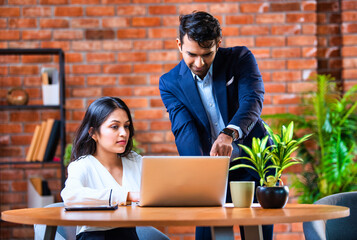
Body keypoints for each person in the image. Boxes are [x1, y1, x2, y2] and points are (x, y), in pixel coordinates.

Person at [159, 11, 274, 240]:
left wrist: (228, 133)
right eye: (191, 54)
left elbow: (252, 101)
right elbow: (184, 130)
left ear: (218, 44)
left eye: (207, 54)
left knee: (256, 236)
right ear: (179, 45)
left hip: (252, 163)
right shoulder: (169, 82)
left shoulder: (240, 59)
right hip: (210, 174)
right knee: (209, 236)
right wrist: (200, 174)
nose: (199, 63)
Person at [61, 97, 141, 240]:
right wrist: (127, 196)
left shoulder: (134, 161)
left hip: (129, 235)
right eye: (115, 126)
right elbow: (70, 196)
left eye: (126, 126)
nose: (124, 133)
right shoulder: (82, 165)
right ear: (93, 133)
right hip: (94, 236)